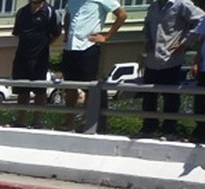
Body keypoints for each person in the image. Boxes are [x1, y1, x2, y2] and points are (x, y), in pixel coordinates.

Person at [137, 0, 204, 139]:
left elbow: (200, 20)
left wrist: (185, 43)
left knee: (171, 97)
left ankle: (169, 130)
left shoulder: (182, 4)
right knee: (149, 96)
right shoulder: (153, 6)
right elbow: (146, 26)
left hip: (171, 59)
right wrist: (147, 40)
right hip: (152, 59)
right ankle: (148, 128)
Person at [61, 0, 127, 127]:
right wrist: (66, 34)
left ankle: (87, 121)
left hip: (88, 47)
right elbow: (68, 15)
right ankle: (69, 120)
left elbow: (122, 14)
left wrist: (106, 37)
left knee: (89, 88)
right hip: (70, 48)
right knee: (69, 87)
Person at [10, 0, 61, 128]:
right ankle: (20, 120)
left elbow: (56, 33)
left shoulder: (50, 12)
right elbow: (17, 33)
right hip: (22, 57)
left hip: (40, 59)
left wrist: (43, 45)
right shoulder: (22, 12)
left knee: (40, 91)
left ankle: (37, 120)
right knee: (22, 90)